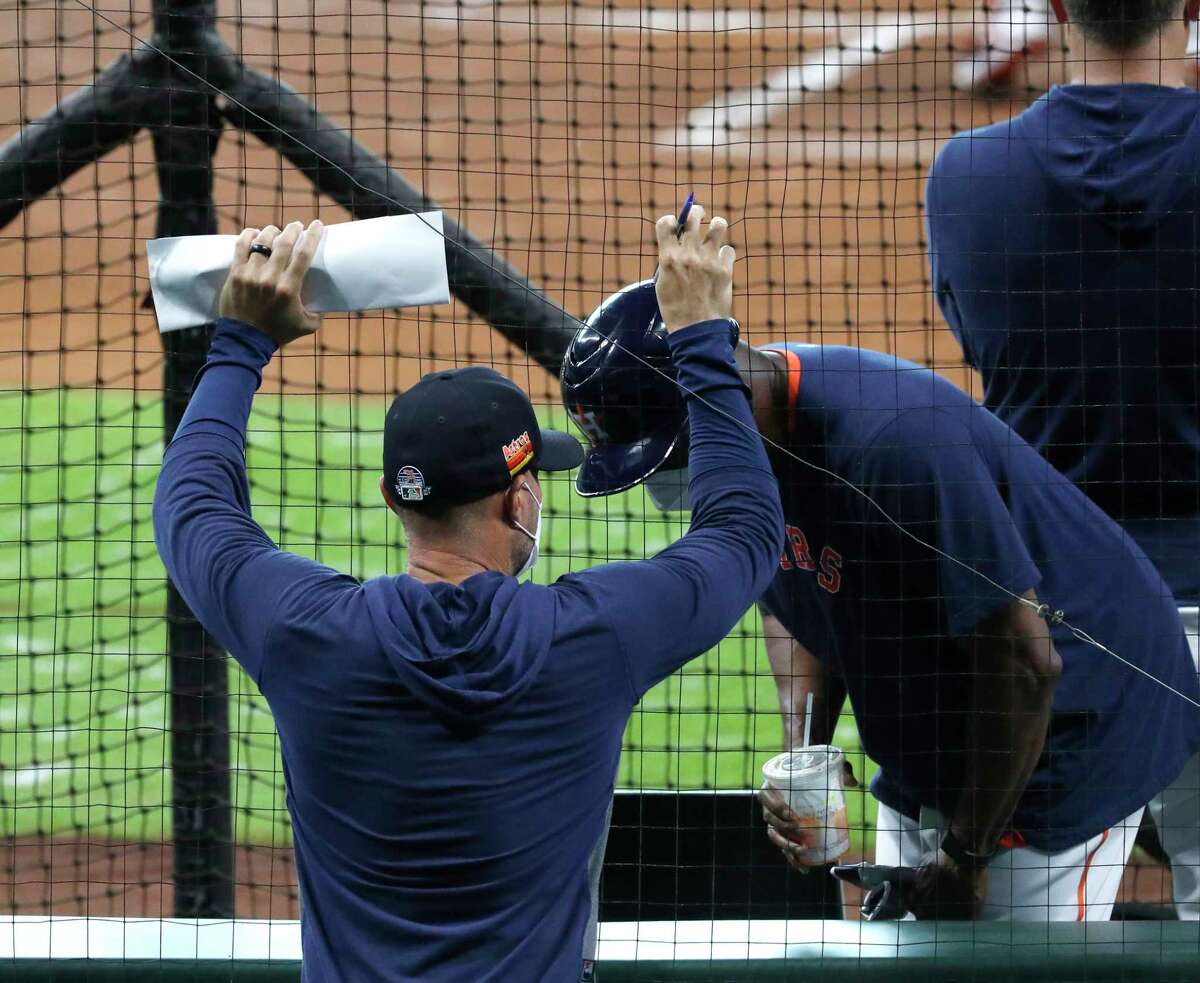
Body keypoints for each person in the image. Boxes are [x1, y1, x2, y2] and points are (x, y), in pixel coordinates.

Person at [152, 210, 783, 981]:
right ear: (518, 502)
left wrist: (240, 343)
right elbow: (745, 533)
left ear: (394, 499)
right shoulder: (593, 640)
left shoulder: (304, 634)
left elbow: (192, 506)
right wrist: (698, 338)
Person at [562, 307, 1200, 920]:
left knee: (1008, 965)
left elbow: (1027, 663)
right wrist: (803, 753)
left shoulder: (892, 442)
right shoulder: (749, 448)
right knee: (910, 957)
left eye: (667, 457)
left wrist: (965, 854)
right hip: (948, 705)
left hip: (1075, 716)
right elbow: (792, 590)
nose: (661, 484)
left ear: (711, 396)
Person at [926, 0, 1200, 917]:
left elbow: (983, 345)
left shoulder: (966, 175)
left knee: (1006, 964)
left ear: (1051, 10)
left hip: (1057, 631)